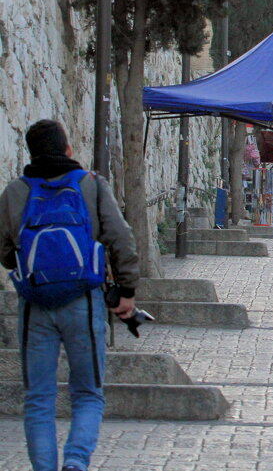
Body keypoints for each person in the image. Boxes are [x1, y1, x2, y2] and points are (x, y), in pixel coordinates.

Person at [0, 120, 139, 471]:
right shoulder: (91, 185)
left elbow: (3, 251)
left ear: (30, 152)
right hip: (84, 300)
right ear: (68, 150)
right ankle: (76, 461)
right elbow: (120, 237)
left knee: (38, 398)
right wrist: (126, 290)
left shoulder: (16, 192)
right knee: (88, 394)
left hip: (35, 305)